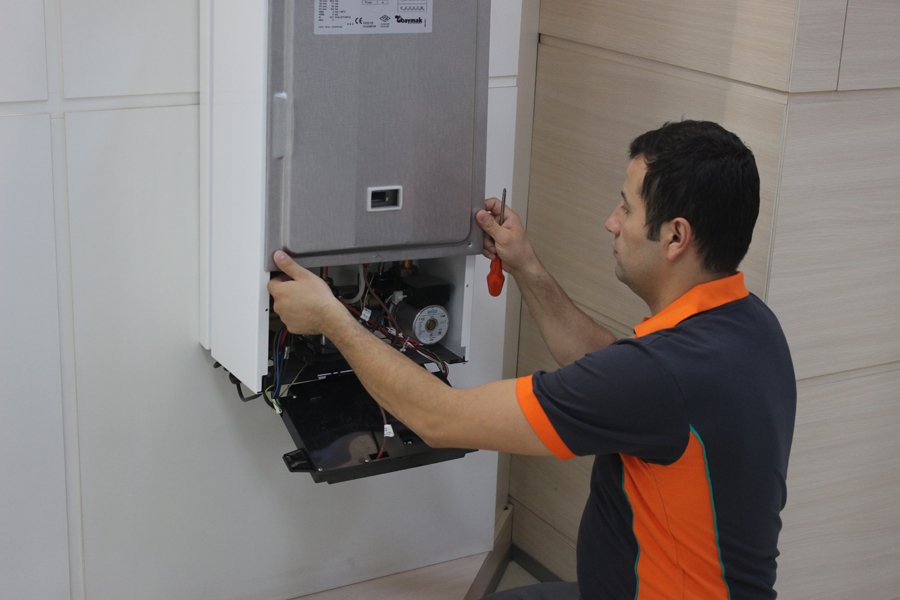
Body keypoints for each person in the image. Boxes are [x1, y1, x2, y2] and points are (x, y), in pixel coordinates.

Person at [268, 120, 796, 600]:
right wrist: (524, 265)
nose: (610, 222)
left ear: (676, 236)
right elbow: (612, 369)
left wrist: (333, 318)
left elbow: (438, 419)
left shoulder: (659, 376)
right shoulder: (749, 326)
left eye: (627, 209)